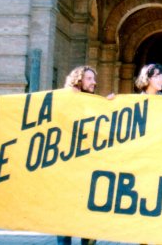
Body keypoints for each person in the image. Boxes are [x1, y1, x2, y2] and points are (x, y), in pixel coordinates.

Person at [58, 66, 102, 245]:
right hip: (68, 168)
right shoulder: (66, 100)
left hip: (88, 168)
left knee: (88, 215)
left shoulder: (93, 102)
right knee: (65, 215)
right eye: (89, 79)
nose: (94, 82)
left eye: (94, 79)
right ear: (79, 80)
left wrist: (111, 105)